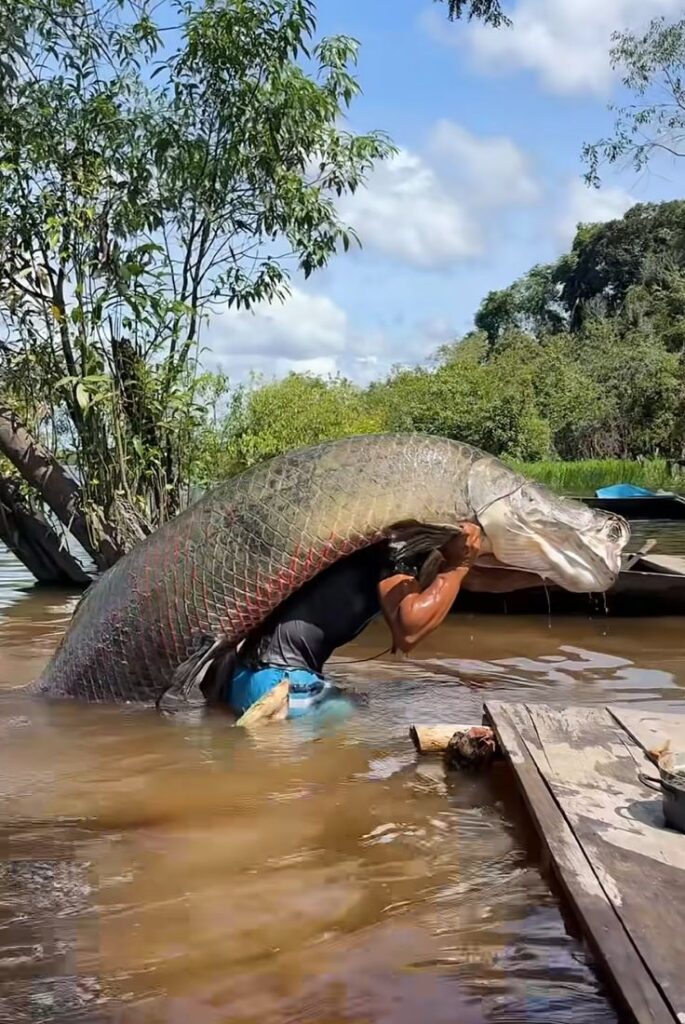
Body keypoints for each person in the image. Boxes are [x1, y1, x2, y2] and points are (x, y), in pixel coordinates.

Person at [221, 522, 484, 719]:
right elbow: (409, 631)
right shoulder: (396, 549)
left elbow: (486, 580)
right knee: (364, 715)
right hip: (280, 687)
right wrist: (458, 566)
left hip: (239, 680)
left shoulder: (363, 541)